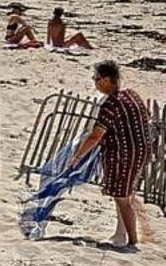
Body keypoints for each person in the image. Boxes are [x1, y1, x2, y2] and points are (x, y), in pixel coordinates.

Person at [62, 60, 154, 250]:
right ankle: (120, 233)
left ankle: (132, 241)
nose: (94, 83)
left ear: (107, 80)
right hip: (141, 150)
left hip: (124, 153)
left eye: (96, 79)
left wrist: (77, 157)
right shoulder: (132, 95)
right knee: (125, 194)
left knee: (122, 197)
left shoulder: (111, 104)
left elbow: (95, 135)